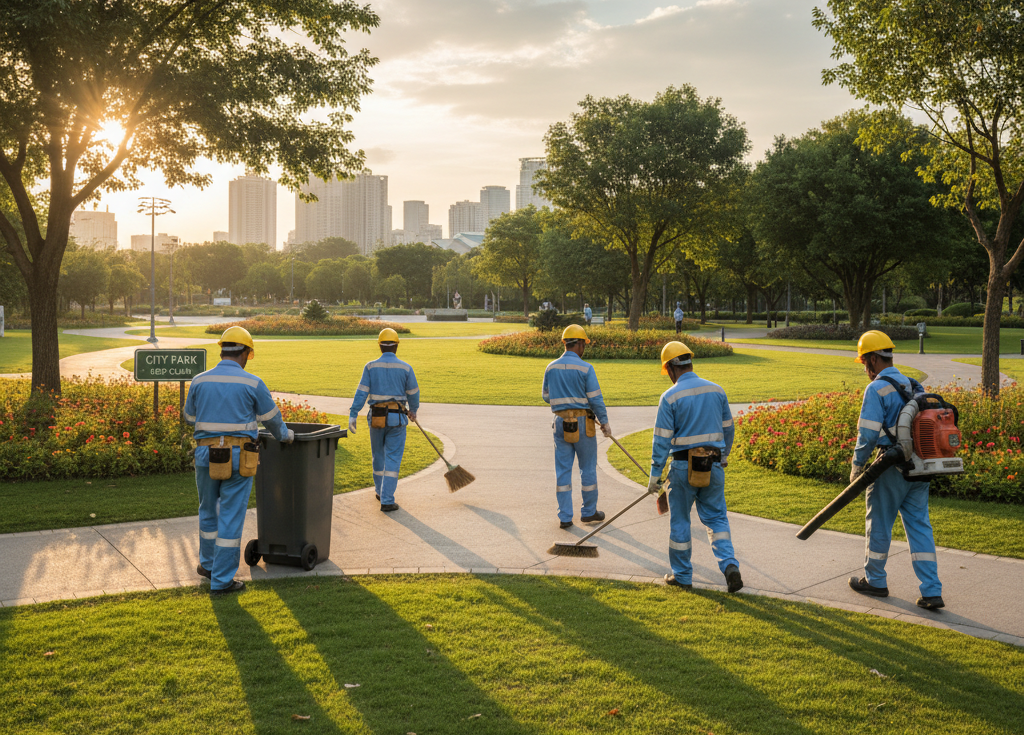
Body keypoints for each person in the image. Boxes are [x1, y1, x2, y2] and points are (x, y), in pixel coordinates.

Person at [184, 326, 294, 594]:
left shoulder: (199, 381)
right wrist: (286, 436)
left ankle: (208, 566)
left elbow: (189, 418)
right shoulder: (252, 383)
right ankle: (222, 581)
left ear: (221, 349)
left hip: (205, 454)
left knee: (208, 511)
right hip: (238, 457)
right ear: (245, 352)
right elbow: (272, 420)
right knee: (231, 517)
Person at [848, 330, 944, 610]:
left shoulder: (876, 388)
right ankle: (932, 590)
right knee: (920, 527)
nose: (865, 369)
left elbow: (867, 433)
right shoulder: (915, 386)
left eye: (865, 362)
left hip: (890, 467)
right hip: (920, 467)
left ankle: (875, 581)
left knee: (879, 522)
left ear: (874, 359)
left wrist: (857, 466)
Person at [647, 341, 742, 593]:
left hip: (681, 468)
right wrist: (722, 456)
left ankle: (682, 576)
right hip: (713, 466)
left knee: (680, 521)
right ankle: (730, 565)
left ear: (669, 368)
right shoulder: (717, 390)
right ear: (689, 362)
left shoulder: (669, 397)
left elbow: (661, 442)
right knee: (716, 518)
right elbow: (729, 429)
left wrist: (655, 477)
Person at [542, 325, 612, 528]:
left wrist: (563, 402)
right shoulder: (586, 368)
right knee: (587, 468)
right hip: (584, 424)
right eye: (584, 344)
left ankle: (565, 517)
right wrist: (605, 422)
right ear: (580, 344)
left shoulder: (551, 367)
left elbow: (546, 397)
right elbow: (596, 399)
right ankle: (589, 512)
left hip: (560, 423)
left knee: (563, 471)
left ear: (565, 343)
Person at [349, 328, 420, 512]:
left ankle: (380, 491)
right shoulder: (405, 368)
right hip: (396, 419)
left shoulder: (370, 367)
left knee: (378, 456)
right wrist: (413, 411)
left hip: (377, 419)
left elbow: (361, 392)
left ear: (379, 346)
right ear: (397, 346)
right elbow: (413, 393)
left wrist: (353, 414)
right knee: (393, 459)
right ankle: (387, 500)